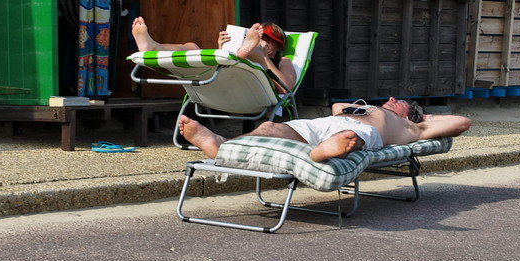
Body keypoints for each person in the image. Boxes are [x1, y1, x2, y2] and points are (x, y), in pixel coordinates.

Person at [178, 97, 471, 163]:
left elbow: (462, 122)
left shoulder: (413, 127)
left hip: (366, 134)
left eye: (400, 101)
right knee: (270, 126)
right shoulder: (368, 105)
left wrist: (423, 116)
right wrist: (363, 107)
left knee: (350, 138)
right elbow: (336, 107)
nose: (391, 99)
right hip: (324, 125)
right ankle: (222, 144)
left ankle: (323, 153)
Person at [131, 16, 296, 92]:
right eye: (262, 37)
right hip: (217, 82)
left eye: (270, 40)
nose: (265, 42)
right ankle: (152, 47)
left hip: (247, 89)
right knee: (192, 46)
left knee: (245, 56)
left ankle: (247, 55)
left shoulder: (283, 61)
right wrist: (221, 48)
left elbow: (287, 89)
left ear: (279, 46)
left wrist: (263, 58)